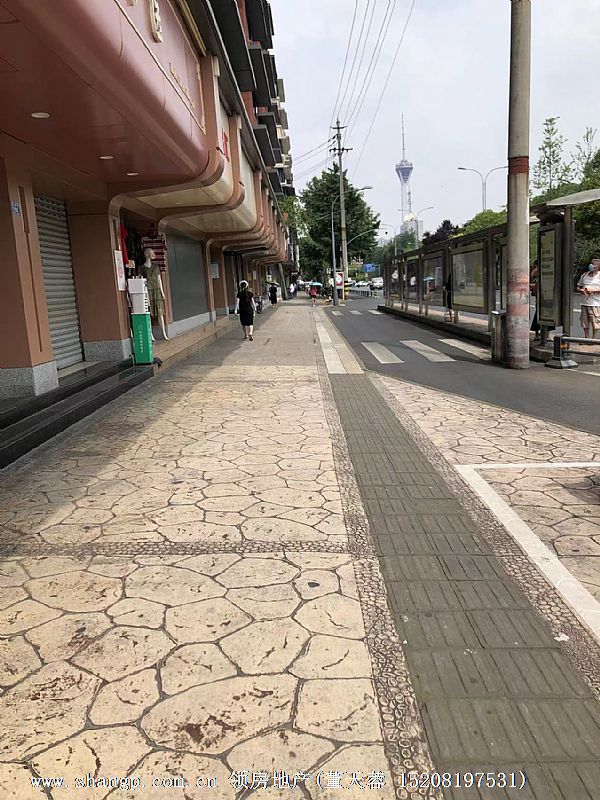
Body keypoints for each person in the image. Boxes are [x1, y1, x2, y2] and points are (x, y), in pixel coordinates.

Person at [577, 258, 600, 338]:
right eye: (591, 264)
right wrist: (582, 290)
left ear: (598, 267)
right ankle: (586, 337)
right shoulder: (584, 275)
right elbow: (578, 287)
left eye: (594, 265)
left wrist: (593, 291)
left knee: (595, 322)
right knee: (584, 322)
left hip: (595, 303)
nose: (591, 266)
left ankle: (593, 338)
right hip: (584, 303)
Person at [530, 260, 540, 339]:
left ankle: (542, 334)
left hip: (541, 296)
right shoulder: (534, 273)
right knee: (538, 315)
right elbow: (531, 284)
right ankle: (537, 334)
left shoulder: (534, 272)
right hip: (539, 297)